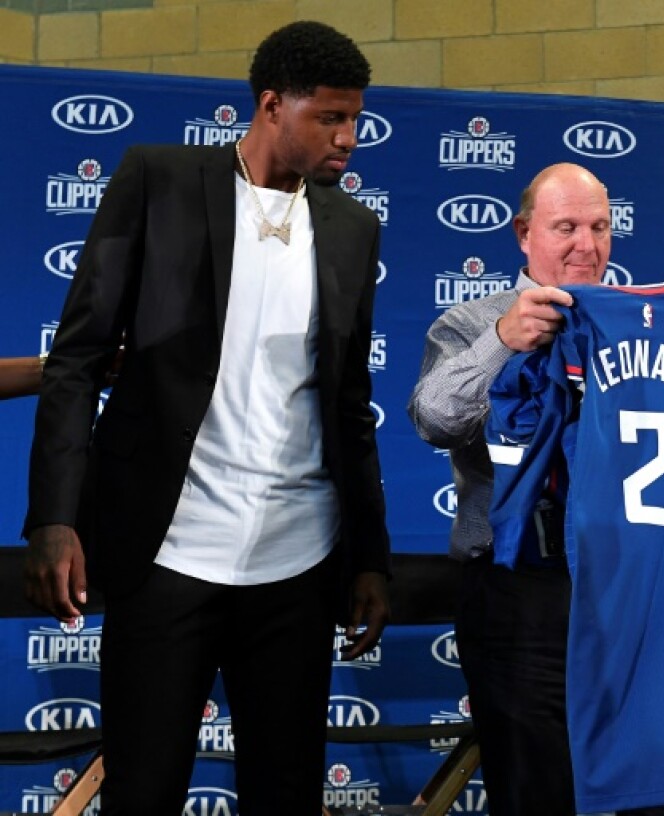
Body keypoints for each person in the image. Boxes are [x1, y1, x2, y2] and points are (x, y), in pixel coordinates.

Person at [23, 21, 391, 814]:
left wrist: (371, 558)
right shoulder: (157, 179)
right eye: (329, 117)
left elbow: (350, 405)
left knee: (285, 795)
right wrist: (53, 519)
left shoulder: (354, 231)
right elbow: (79, 359)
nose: (349, 137)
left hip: (298, 563)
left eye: (354, 118)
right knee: (144, 791)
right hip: (168, 555)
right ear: (270, 105)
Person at [409, 162, 664, 816]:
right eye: (566, 227)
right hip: (525, 590)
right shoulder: (471, 322)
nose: (588, 244)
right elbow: (435, 419)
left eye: (600, 226)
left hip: (643, 588)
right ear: (524, 233)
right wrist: (502, 341)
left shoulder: (655, 317)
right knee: (535, 790)